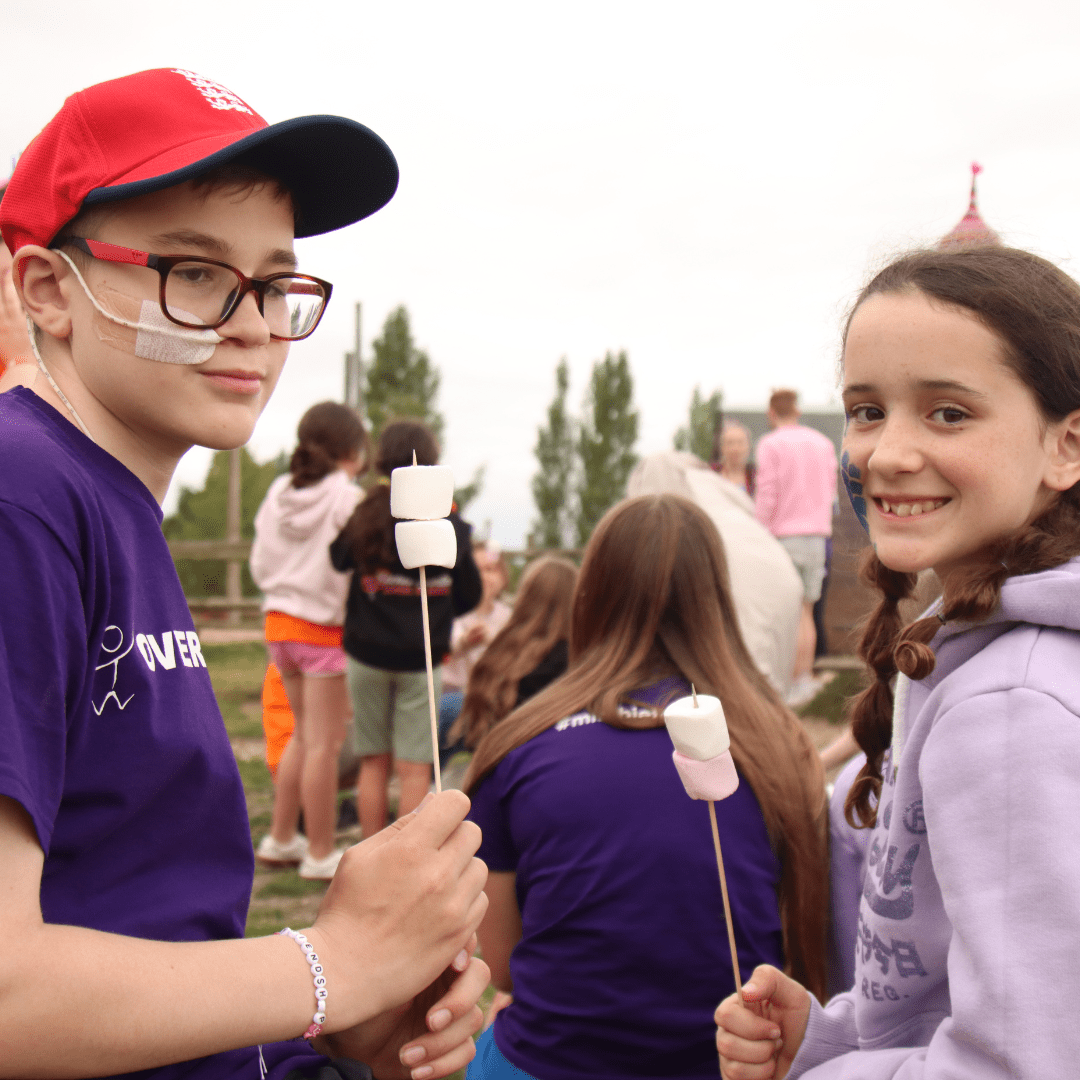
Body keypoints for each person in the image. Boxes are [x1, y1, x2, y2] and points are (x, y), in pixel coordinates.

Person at [0, 68, 488, 1079]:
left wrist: (348, 1027)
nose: (256, 325)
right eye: (196, 272)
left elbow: (138, 911)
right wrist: (331, 963)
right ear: (50, 289)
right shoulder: (22, 495)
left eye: (276, 283)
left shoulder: (106, 500)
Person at [716, 246, 1080, 1079]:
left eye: (949, 413)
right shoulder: (980, 659)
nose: (886, 453)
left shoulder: (1013, 707)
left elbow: (1022, 1063)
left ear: (1067, 446)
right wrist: (829, 1039)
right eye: (867, 409)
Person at [464, 494, 828, 1080]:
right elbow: (801, 934)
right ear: (716, 599)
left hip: (549, 1064)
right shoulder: (781, 744)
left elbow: (504, 970)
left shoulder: (518, 744)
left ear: (592, 595)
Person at [331, 419, 482, 839]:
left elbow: (339, 558)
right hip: (421, 657)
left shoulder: (367, 511)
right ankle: (412, 853)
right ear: (432, 462)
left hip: (366, 652)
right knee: (415, 764)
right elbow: (469, 593)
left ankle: (372, 848)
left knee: (373, 760)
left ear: (382, 458)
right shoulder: (451, 525)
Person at [250, 401, 367, 879]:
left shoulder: (279, 491)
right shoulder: (347, 498)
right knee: (325, 743)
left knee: (301, 734)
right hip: (324, 634)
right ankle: (320, 852)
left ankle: (282, 838)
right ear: (353, 451)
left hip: (279, 624)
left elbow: (259, 561)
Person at [628, 451, 802, 694]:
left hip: (740, 583)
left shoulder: (666, 485)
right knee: (761, 684)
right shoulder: (720, 491)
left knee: (743, 681)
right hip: (778, 578)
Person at [755, 389, 839, 707]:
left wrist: (758, 533)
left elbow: (767, 494)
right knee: (806, 611)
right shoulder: (823, 444)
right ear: (797, 411)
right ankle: (802, 681)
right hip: (817, 537)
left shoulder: (770, 444)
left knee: (784, 613)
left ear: (771, 414)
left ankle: (785, 686)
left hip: (783, 539)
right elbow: (831, 491)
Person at [453, 554, 578, 751]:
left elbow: (474, 737)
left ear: (525, 597)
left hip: (499, 766)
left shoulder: (501, 653)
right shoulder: (577, 661)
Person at [437, 544, 512, 763]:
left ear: (503, 576)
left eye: (491, 569)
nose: (485, 577)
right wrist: (463, 642)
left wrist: (491, 641)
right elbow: (440, 651)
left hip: (491, 696)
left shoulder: (507, 616)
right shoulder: (452, 612)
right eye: (478, 570)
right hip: (452, 694)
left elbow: (514, 657)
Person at [716, 420, 756, 496]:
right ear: (721, 447)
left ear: (748, 447)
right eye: (730, 443)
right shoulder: (712, 475)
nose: (735, 449)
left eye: (740, 443)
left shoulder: (757, 477)